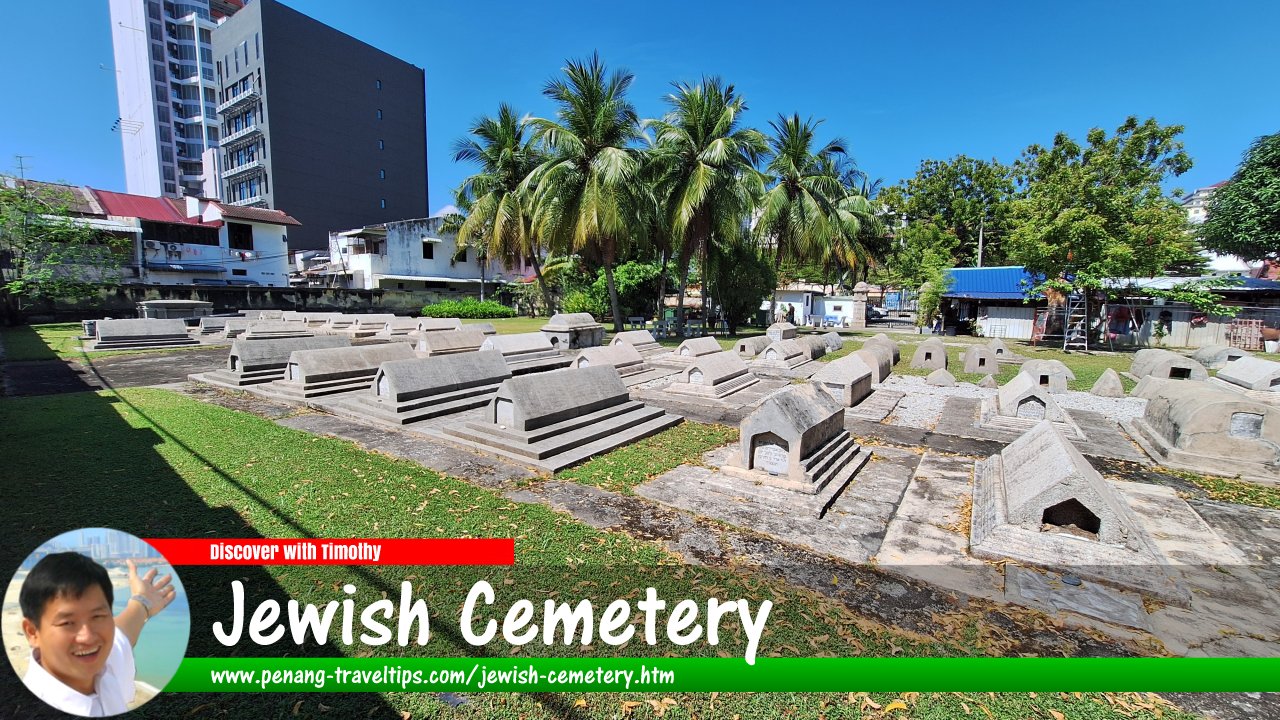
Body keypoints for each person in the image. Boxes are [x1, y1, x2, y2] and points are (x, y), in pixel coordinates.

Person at [19, 553, 176, 717]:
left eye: (97, 617)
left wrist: (142, 601)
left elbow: (122, 634)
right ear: (32, 632)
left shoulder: (103, 665)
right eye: (67, 623)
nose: (88, 637)